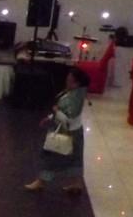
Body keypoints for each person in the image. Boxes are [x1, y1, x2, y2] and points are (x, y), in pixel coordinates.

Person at [24, 66, 90, 195]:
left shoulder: (75, 98)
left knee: (50, 157)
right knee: (75, 158)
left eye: (70, 81)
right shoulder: (74, 93)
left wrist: (55, 111)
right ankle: (77, 184)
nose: (67, 83)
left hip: (67, 132)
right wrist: (51, 117)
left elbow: (67, 118)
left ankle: (40, 182)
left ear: (77, 83)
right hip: (74, 133)